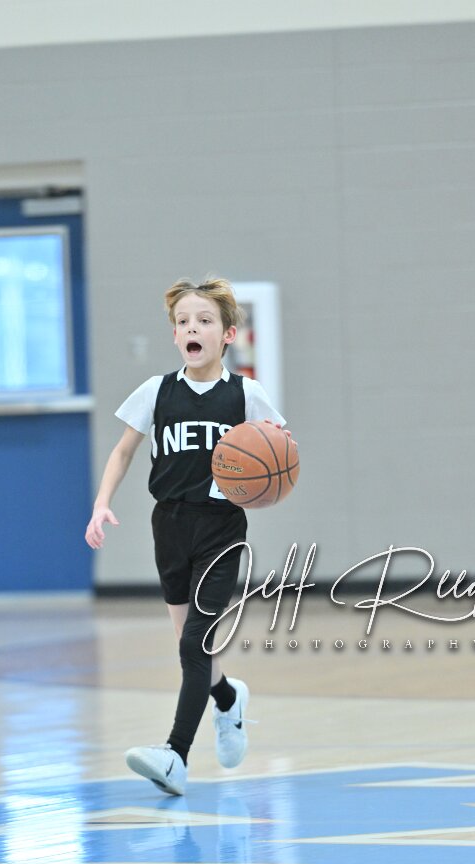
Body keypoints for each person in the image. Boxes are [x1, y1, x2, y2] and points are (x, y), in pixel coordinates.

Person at [85, 276, 288, 796]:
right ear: (175, 335)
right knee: (189, 647)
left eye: (204, 320)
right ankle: (227, 700)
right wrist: (102, 503)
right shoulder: (157, 391)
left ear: (228, 334)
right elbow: (123, 451)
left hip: (222, 528)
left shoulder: (246, 393)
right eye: (183, 322)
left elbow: (280, 447)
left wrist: (275, 460)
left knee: (196, 643)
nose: (192, 328)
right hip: (170, 526)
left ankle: (176, 755)